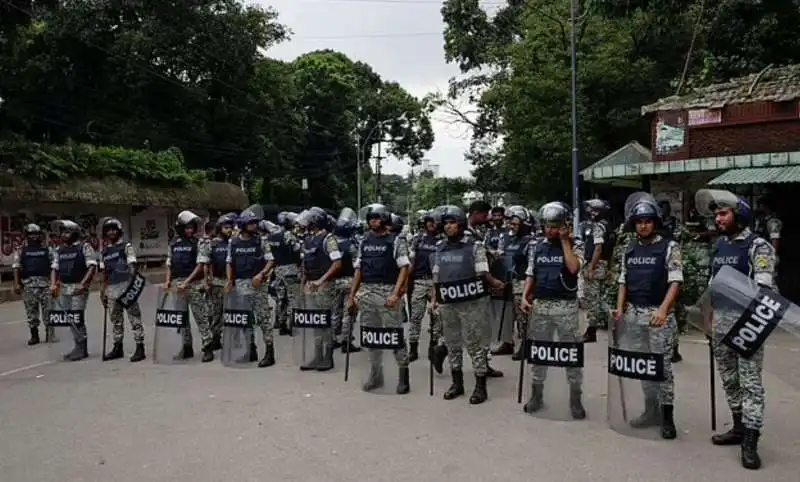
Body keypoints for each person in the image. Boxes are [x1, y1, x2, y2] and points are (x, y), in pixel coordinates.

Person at [697, 189, 777, 470]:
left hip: (748, 324)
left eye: (723, 213)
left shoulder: (758, 246)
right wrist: (706, 319)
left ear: (739, 214)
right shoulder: (719, 246)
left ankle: (751, 442)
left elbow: (763, 289)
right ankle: (739, 427)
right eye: (716, 214)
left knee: (750, 384)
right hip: (720, 323)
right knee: (729, 380)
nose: (717, 219)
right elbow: (711, 286)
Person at [612, 193, 683, 439]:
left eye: (648, 220)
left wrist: (663, 310)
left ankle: (667, 417)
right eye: (640, 221)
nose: (644, 225)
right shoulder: (628, 249)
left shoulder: (669, 247)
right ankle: (649, 410)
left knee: (661, 368)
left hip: (657, 316)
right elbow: (623, 282)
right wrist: (620, 310)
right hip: (633, 315)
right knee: (643, 367)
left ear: (655, 222)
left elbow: (675, 281)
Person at [430, 205, 502, 403]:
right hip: (448, 302)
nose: (448, 227)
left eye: (452, 223)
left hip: (472, 302)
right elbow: (436, 276)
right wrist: (434, 299)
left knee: (475, 344)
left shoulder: (474, 246)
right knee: (452, 344)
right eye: (445, 224)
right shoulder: (440, 248)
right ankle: (457, 383)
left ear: (460, 224)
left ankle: (480, 386)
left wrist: (495, 283)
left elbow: (482, 272)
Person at [520, 202, 585, 419]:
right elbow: (532, 273)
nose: (551, 230)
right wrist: (524, 296)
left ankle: (575, 398)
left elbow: (574, 268)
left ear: (565, 225)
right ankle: (537, 394)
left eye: (556, 226)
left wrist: (565, 240)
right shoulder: (536, 246)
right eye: (548, 225)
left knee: (571, 353)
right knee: (539, 353)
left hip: (565, 307)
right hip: (541, 307)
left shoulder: (576, 244)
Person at [347, 203, 411, 393]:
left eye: (376, 218)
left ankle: (403, 376)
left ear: (384, 219)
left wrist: (396, 293)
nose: (372, 221)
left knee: (395, 335)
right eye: (370, 219)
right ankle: (376, 375)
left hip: (387, 293)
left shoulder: (396, 241)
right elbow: (358, 269)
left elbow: (404, 268)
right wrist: (352, 296)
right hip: (367, 293)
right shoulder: (364, 241)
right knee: (371, 337)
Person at [226, 208, 276, 367]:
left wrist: (261, 275)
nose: (254, 226)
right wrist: (229, 280)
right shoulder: (232, 242)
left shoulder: (261, 240)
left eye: (255, 223)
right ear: (243, 225)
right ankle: (250, 349)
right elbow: (229, 262)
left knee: (263, 318)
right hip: (240, 284)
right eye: (251, 223)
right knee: (245, 319)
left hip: (258, 285)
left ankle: (269, 352)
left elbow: (270, 260)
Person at [165, 210, 214, 362]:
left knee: (201, 317)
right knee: (181, 318)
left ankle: (208, 347)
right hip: (177, 284)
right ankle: (186, 347)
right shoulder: (173, 244)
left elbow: (200, 265)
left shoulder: (200, 242)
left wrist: (186, 283)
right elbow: (169, 263)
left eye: (192, 227)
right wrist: (167, 281)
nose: (190, 230)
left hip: (193, 284)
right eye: (187, 227)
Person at [99, 217, 146, 362]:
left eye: (114, 230)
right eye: (109, 230)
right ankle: (117, 347)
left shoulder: (126, 246)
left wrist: (130, 286)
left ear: (119, 231)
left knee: (134, 318)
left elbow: (132, 266)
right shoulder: (105, 252)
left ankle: (140, 347)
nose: (111, 233)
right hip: (111, 289)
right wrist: (103, 291)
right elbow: (104, 273)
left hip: (126, 287)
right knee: (115, 320)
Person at [52, 219, 97, 361]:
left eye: (67, 232)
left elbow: (92, 266)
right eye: (62, 232)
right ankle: (77, 345)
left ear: (75, 233)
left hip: (78, 287)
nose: (64, 235)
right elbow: (55, 268)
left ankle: (82, 348)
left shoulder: (84, 247)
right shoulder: (59, 250)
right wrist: (53, 284)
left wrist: (83, 284)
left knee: (77, 317)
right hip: (64, 287)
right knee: (69, 318)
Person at [12, 223, 57, 346]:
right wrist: (16, 284)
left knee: (49, 311)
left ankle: (50, 334)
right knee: (31, 312)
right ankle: (34, 335)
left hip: (45, 284)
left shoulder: (47, 249)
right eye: (31, 234)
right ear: (26, 235)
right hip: (28, 285)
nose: (34, 236)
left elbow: (53, 266)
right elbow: (16, 267)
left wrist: (53, 284)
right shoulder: (20, 250)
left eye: (36, 234)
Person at [407, 210, 441, 362]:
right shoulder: (417, 239)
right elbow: (411, 262)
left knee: (437, 318)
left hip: (437, 283)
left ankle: (433, 348)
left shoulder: (442, 240)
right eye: (429, 221)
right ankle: (413, 349)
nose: (432, 224)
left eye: (435, 221)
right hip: (419, 281)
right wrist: (407, 282)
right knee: (415, 317)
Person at [581, 199, 614, 342]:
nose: (589, 212)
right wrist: (610, 268)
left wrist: (591, 267)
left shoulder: (598, 226)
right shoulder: (608, 226)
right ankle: (613, 324)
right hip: (604, 265)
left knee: (592, 299)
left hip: (596, 265)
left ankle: (591, 330)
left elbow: (598, 248)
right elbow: (611, 249)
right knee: (601, 297)